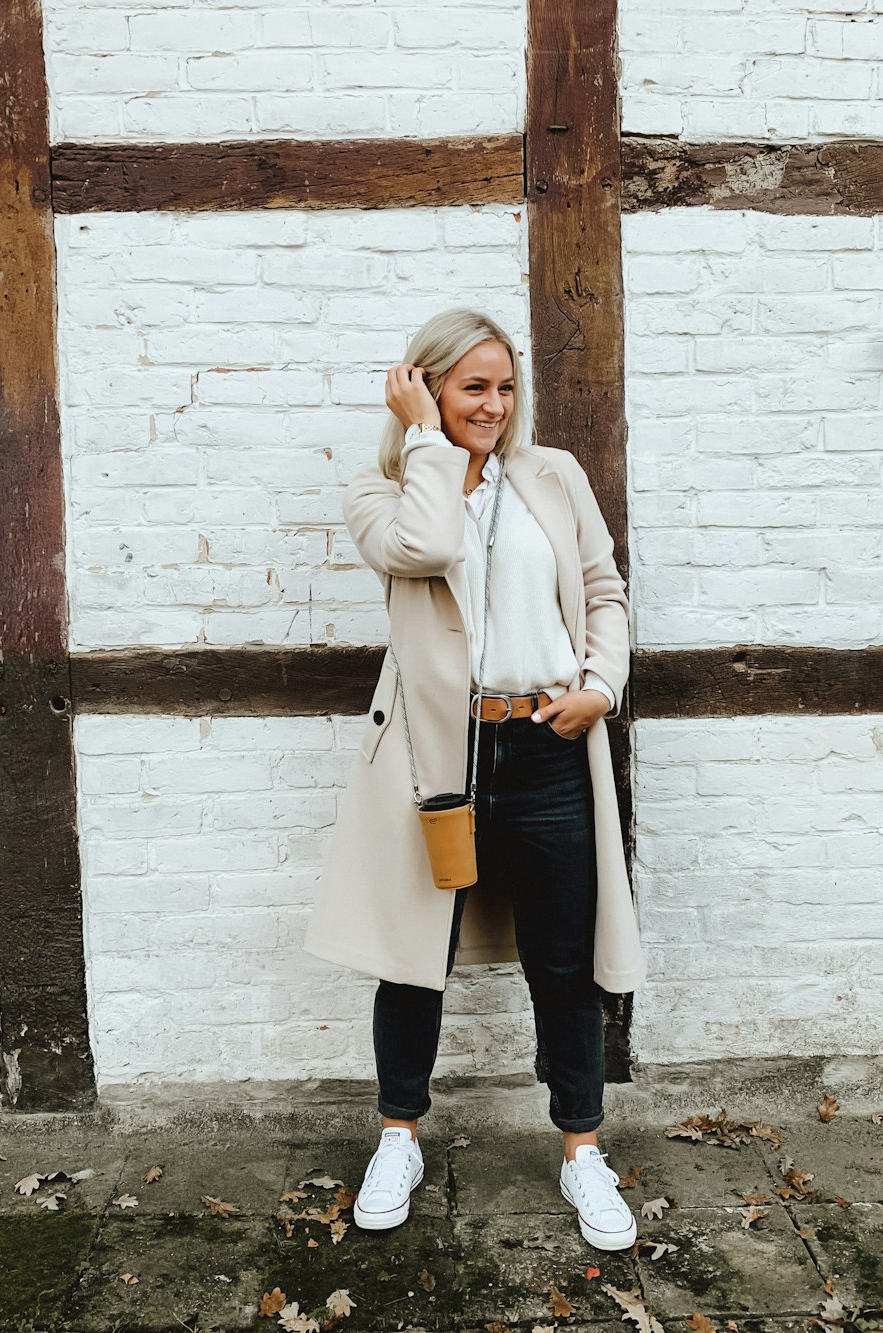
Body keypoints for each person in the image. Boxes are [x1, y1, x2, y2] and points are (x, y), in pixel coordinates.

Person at [302, 308, 646, 1251]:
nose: (492, 405)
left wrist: (599, 688)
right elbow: (427, 548)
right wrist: (423, 443)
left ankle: (582, 1151)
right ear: (428, 390)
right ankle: (399, 1137)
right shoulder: (387, 492)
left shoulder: (554, 477)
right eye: (470, 387)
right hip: (434, 756)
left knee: (564, 963)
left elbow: (605, 591)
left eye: (503, 386)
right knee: (414, 962)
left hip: (543, 745)